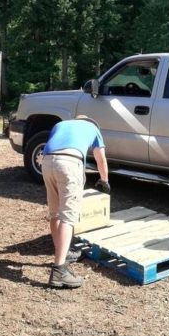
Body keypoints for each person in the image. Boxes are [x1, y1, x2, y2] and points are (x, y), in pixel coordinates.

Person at [41, 115, 110, 289]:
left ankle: (62, 255)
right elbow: (101, 159)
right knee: (68, 217)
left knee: (55, 213)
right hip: (70, 163)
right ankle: (59, 271)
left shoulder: (60, 124)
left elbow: (53, 146)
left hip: (47, 162)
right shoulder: (93, 128)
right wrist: (104, 181)